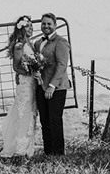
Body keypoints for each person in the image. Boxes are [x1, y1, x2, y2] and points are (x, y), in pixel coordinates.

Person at [0, 15, 38, 158]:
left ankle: (28, 146)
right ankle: (20, 147)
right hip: (25, 84)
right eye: (28, 26)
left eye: (31, 26)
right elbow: (16, 67)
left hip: (32, 83)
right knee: (24, 112)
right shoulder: (19, 45)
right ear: (21, 29)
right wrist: (30, 72)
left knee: (31, 112)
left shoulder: (30, 45)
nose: (31, 28)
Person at [35, 12, 71, 156]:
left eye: (49, 24)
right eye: (43, 23)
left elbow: (62, 65)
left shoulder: (61, 42)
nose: (46, 26)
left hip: (57, 87)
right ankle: (48, 152)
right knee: (44, 120)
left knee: (54, 120)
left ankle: (58, 153)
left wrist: (52, 86)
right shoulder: (38, 43)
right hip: (41, 86)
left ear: (55, 25)